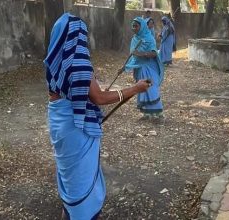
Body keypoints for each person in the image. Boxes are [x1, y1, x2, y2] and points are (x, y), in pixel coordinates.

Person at [44, 13, 150, 220]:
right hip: (75, 130)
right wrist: (135, 89)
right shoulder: (78, 63)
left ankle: (69, 211)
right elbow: (99, 97)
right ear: (78, 35)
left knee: (69, 175)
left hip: (58, 123)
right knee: (81, 179)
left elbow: (75, 94)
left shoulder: (53, 60)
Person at [126, 17, 165, 120]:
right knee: (142, 89)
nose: (134, 28)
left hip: (149, 68)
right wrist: (125, 67)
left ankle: (159, 115)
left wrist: (141, 54)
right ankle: (147, 114)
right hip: (139, 68)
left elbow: (153, 53)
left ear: (142, 26)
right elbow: (132, 56)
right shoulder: (134, 39)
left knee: (151, 89)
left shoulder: (149, 38)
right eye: (133, 26)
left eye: (136, 26)